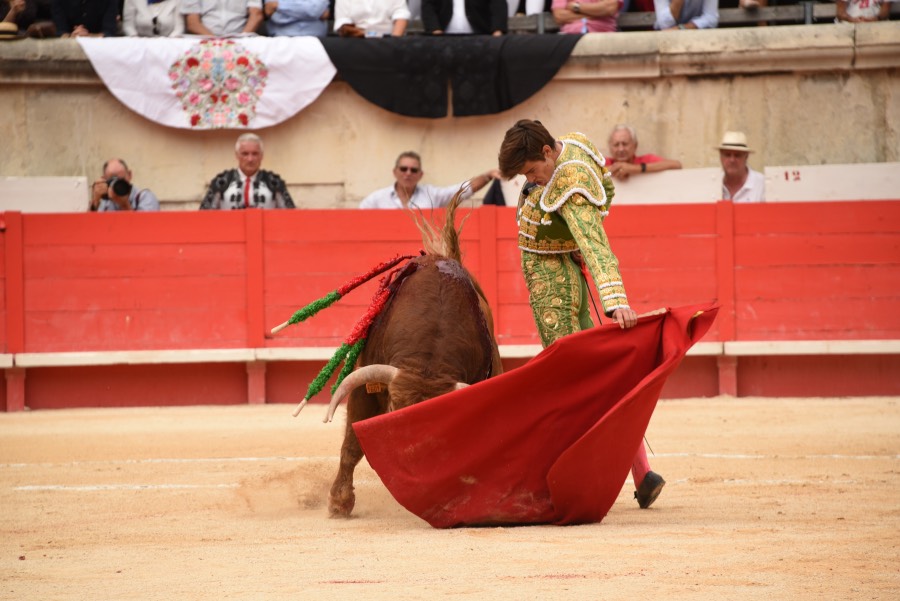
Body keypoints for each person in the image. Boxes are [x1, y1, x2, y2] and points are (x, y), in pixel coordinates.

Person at [497, 119, 666, 509]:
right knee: (595, 373)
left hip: (552, 283)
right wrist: (571, 235)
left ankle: (564, 477)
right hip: (566, 270)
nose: (533, 181)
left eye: (532, 172)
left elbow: (595, 241)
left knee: (569, 382)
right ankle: (642, 472)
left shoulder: (568, 184)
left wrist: (615, 299)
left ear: (546, 153)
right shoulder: (574, 143)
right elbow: (605, 190)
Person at [359, 151, 501, 210]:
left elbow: (461, 191)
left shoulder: (431, 195)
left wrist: (487, 176)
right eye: (403, 169)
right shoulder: (376, 199)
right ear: (395, 172)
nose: (408, 173)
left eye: (413, 170)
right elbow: (358, 223)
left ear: (420, 175)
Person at [200, 133, 295, 210]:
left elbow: (290, 217)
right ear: (237, 155)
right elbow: (204, 217)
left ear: (261, 156)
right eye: (245, 154)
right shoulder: (222, 181)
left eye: (255, 154)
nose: (250, 159)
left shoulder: (274, 182)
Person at [605, 124, 682, 181]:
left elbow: (676, 165)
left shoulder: (646, 160)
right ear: (610, 147)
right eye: (616, 145)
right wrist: (613, 170)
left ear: (635, 145)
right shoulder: (603, 163)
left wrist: (634, 169)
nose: (621, 149)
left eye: (625, 144)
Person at [90, 158, 161, 212]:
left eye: (121, 180)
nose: (117, 185)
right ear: (104, 180)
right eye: (112, 180)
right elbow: (92, 227)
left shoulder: (145, 197)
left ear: (129, 175)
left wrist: (124, 205)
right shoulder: (105, 201)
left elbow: (145, 228)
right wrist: (95, 203)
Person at [718, 130, 764, 202]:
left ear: (746, 156)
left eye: (737, 155)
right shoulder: (711, 185)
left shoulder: (762, 185)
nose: (732, 160)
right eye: (727, 155)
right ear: (721, 157)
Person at [421, 0, 508, 36]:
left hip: (480, 38)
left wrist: (497, 30)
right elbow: (428, 6)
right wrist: (435, 30)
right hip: (443, 39)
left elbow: (498, 4)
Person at [181, 0, 263, 36]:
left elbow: (256, 15)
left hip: (241, 40)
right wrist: (218, 43)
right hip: (204, 41)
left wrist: (242, 39)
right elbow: (192, 23)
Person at [333, 0, 409, 37]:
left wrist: (393, 43)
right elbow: (342, 22)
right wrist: (363, 36)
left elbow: (401, 15)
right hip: (356, 42)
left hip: (388, 40)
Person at [263, 0, 330, 37]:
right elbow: (276, 16)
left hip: (315, 41)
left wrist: (279, 5)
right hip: (282, 40)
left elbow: (315, 10)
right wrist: (310, 12)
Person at [51, 0, 118, 36]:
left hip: (100, 47)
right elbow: (60, 31)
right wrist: (73, 36)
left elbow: (109, 32)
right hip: (68, 44)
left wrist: (88, 36)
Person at [551, 0, 620, 34]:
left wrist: (576, 6)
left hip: (602, 34)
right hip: (569, 36)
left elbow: (609, 8)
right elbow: (559, 16)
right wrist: (597, 13)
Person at [653, 0, 719, 30]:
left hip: (697, 36)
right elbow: (664, 25)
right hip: (666, 40)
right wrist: (677, 2)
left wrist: (682, 28)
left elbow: (711, 18)